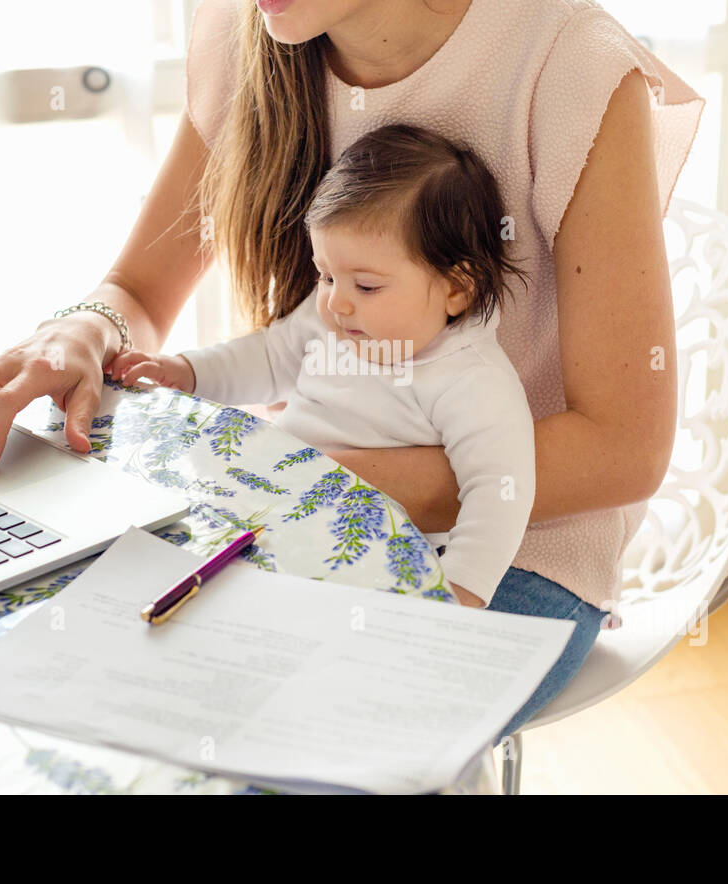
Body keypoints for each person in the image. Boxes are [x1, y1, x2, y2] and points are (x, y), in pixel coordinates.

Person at [0, 0, 704, 740]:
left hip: (519, 548)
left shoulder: (564, 63)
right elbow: (139, 290)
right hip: (297, 500)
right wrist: (83, 329)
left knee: (271, 727)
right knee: (74, 666)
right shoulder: (246, 41)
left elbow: (625, 451)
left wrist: (312, 480)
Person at [112, 121, 537, 610]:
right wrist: (186, 373)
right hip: (270, 524)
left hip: (376, 557)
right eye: (326, 275)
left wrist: (459, 591)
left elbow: (500, 490)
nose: (337, 302)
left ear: (456, 289)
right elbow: (269, 357)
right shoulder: (334, 322)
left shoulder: (471, 378)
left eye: (367, 286)